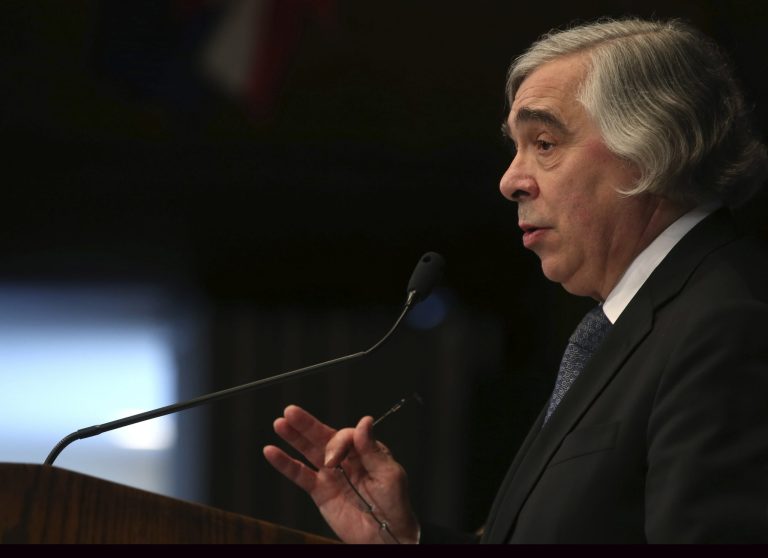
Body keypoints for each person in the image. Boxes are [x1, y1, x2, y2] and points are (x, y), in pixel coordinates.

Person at [262, 17, 768, 543]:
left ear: (651, 151)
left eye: (544, 143)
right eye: (517, 147)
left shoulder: (729, 326)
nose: (509, 181)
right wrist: (404, 538)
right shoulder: (633, 324)